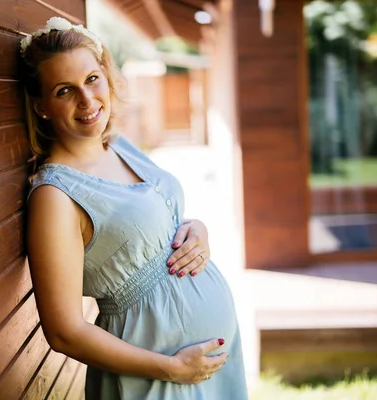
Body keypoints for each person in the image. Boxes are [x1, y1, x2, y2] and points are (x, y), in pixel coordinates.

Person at [20, 17, 248, 400]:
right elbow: (63, 332)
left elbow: (149, 224)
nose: (87, 100)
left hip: (206, 366)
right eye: (64, 90)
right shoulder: (54, 197)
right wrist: (172, 369)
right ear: (41, 106)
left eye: (92, 79)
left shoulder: (120, 146)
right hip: (154, 373)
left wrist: (196, 228)